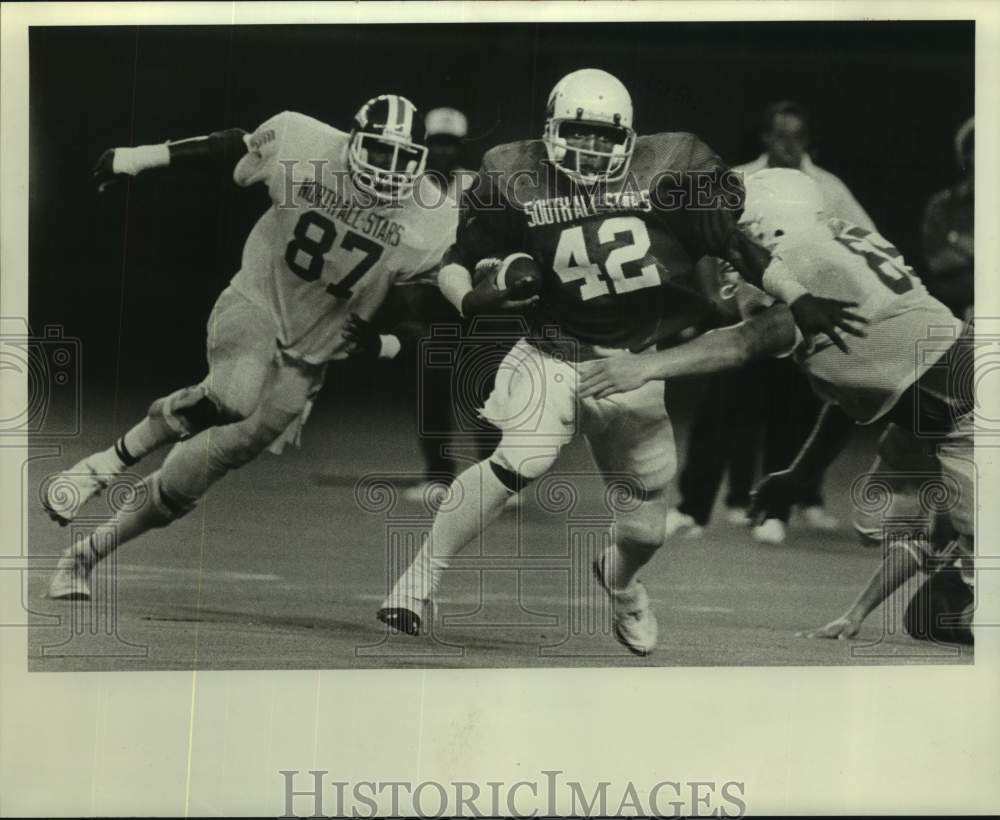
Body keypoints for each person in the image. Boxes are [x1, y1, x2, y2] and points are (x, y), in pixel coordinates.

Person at [375, 69, 860, 655]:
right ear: (553, 126)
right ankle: (416, 583)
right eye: (580, 132)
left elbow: (738, 247)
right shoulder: (513, 174)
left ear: (629, 137)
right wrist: (471, 300)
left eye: (606, 136)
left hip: (635, 364)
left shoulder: (672, 168)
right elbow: (457, 260)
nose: (592, 147)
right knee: (517, 461)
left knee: (644, 528)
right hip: (550, 352)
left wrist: (798, 295)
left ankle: (624, 587)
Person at [43, 95, 458, 600]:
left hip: (308, 360)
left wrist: (387, 342)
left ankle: (83, 556)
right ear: (352, 143)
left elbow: (435, 312)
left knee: (186, 481)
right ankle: (98, 467)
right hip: (256, 302)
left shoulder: (432, 218)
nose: (389, 171)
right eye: (378, 153)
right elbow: (229, 148)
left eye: (402, 159)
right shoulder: (302, 142)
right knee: (233, 394)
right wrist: (138, 156)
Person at [580, 168, 973, 644]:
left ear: (772, 227)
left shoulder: (805, 261)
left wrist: (643, 367)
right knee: (935, 610)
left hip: (970, 413)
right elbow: (863, 396)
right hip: (958, 406)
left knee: (958, 603)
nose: (731, 252)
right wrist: (801, 474)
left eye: (740, 230)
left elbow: (745, 342)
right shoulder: (833, 246)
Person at [666, 100, 879, 544]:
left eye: (797, 136)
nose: (789, 144)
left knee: (791, 415)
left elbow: (865, 242)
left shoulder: (829, 188)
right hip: (747, 313)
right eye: (780, 135)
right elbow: (706, 241)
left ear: (808, 140)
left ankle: (772, 511)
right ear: (765, 136)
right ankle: (692, 509)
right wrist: (714, 299)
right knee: (716, 413)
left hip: (798, 320)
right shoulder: (739, 178)